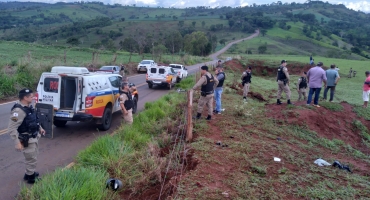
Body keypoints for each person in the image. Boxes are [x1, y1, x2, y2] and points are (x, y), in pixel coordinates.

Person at [7, 89, 46, 184]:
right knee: (31, 158)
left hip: (34, 137)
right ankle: (31, 178)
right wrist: (17, 143)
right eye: (31, 97)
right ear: (25, 97)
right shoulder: (18, 111)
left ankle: (28, 173)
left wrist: (40, 128)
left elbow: (34, 120)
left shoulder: (29, 107)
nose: (33, 98)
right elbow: (11, 128)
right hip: (27, 139)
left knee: (33, 156)